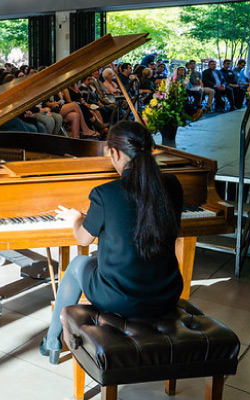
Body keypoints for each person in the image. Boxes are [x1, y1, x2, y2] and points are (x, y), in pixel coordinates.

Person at [39, 121, 183, 365]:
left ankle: (52, 340)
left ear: (115, 153)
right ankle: (53, 339)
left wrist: (77, 219)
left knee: (78, 264)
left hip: (120, 299)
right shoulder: (172, 186)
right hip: (166, 295)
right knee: (101, 260)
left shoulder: (106, 193)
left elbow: (83, 238)